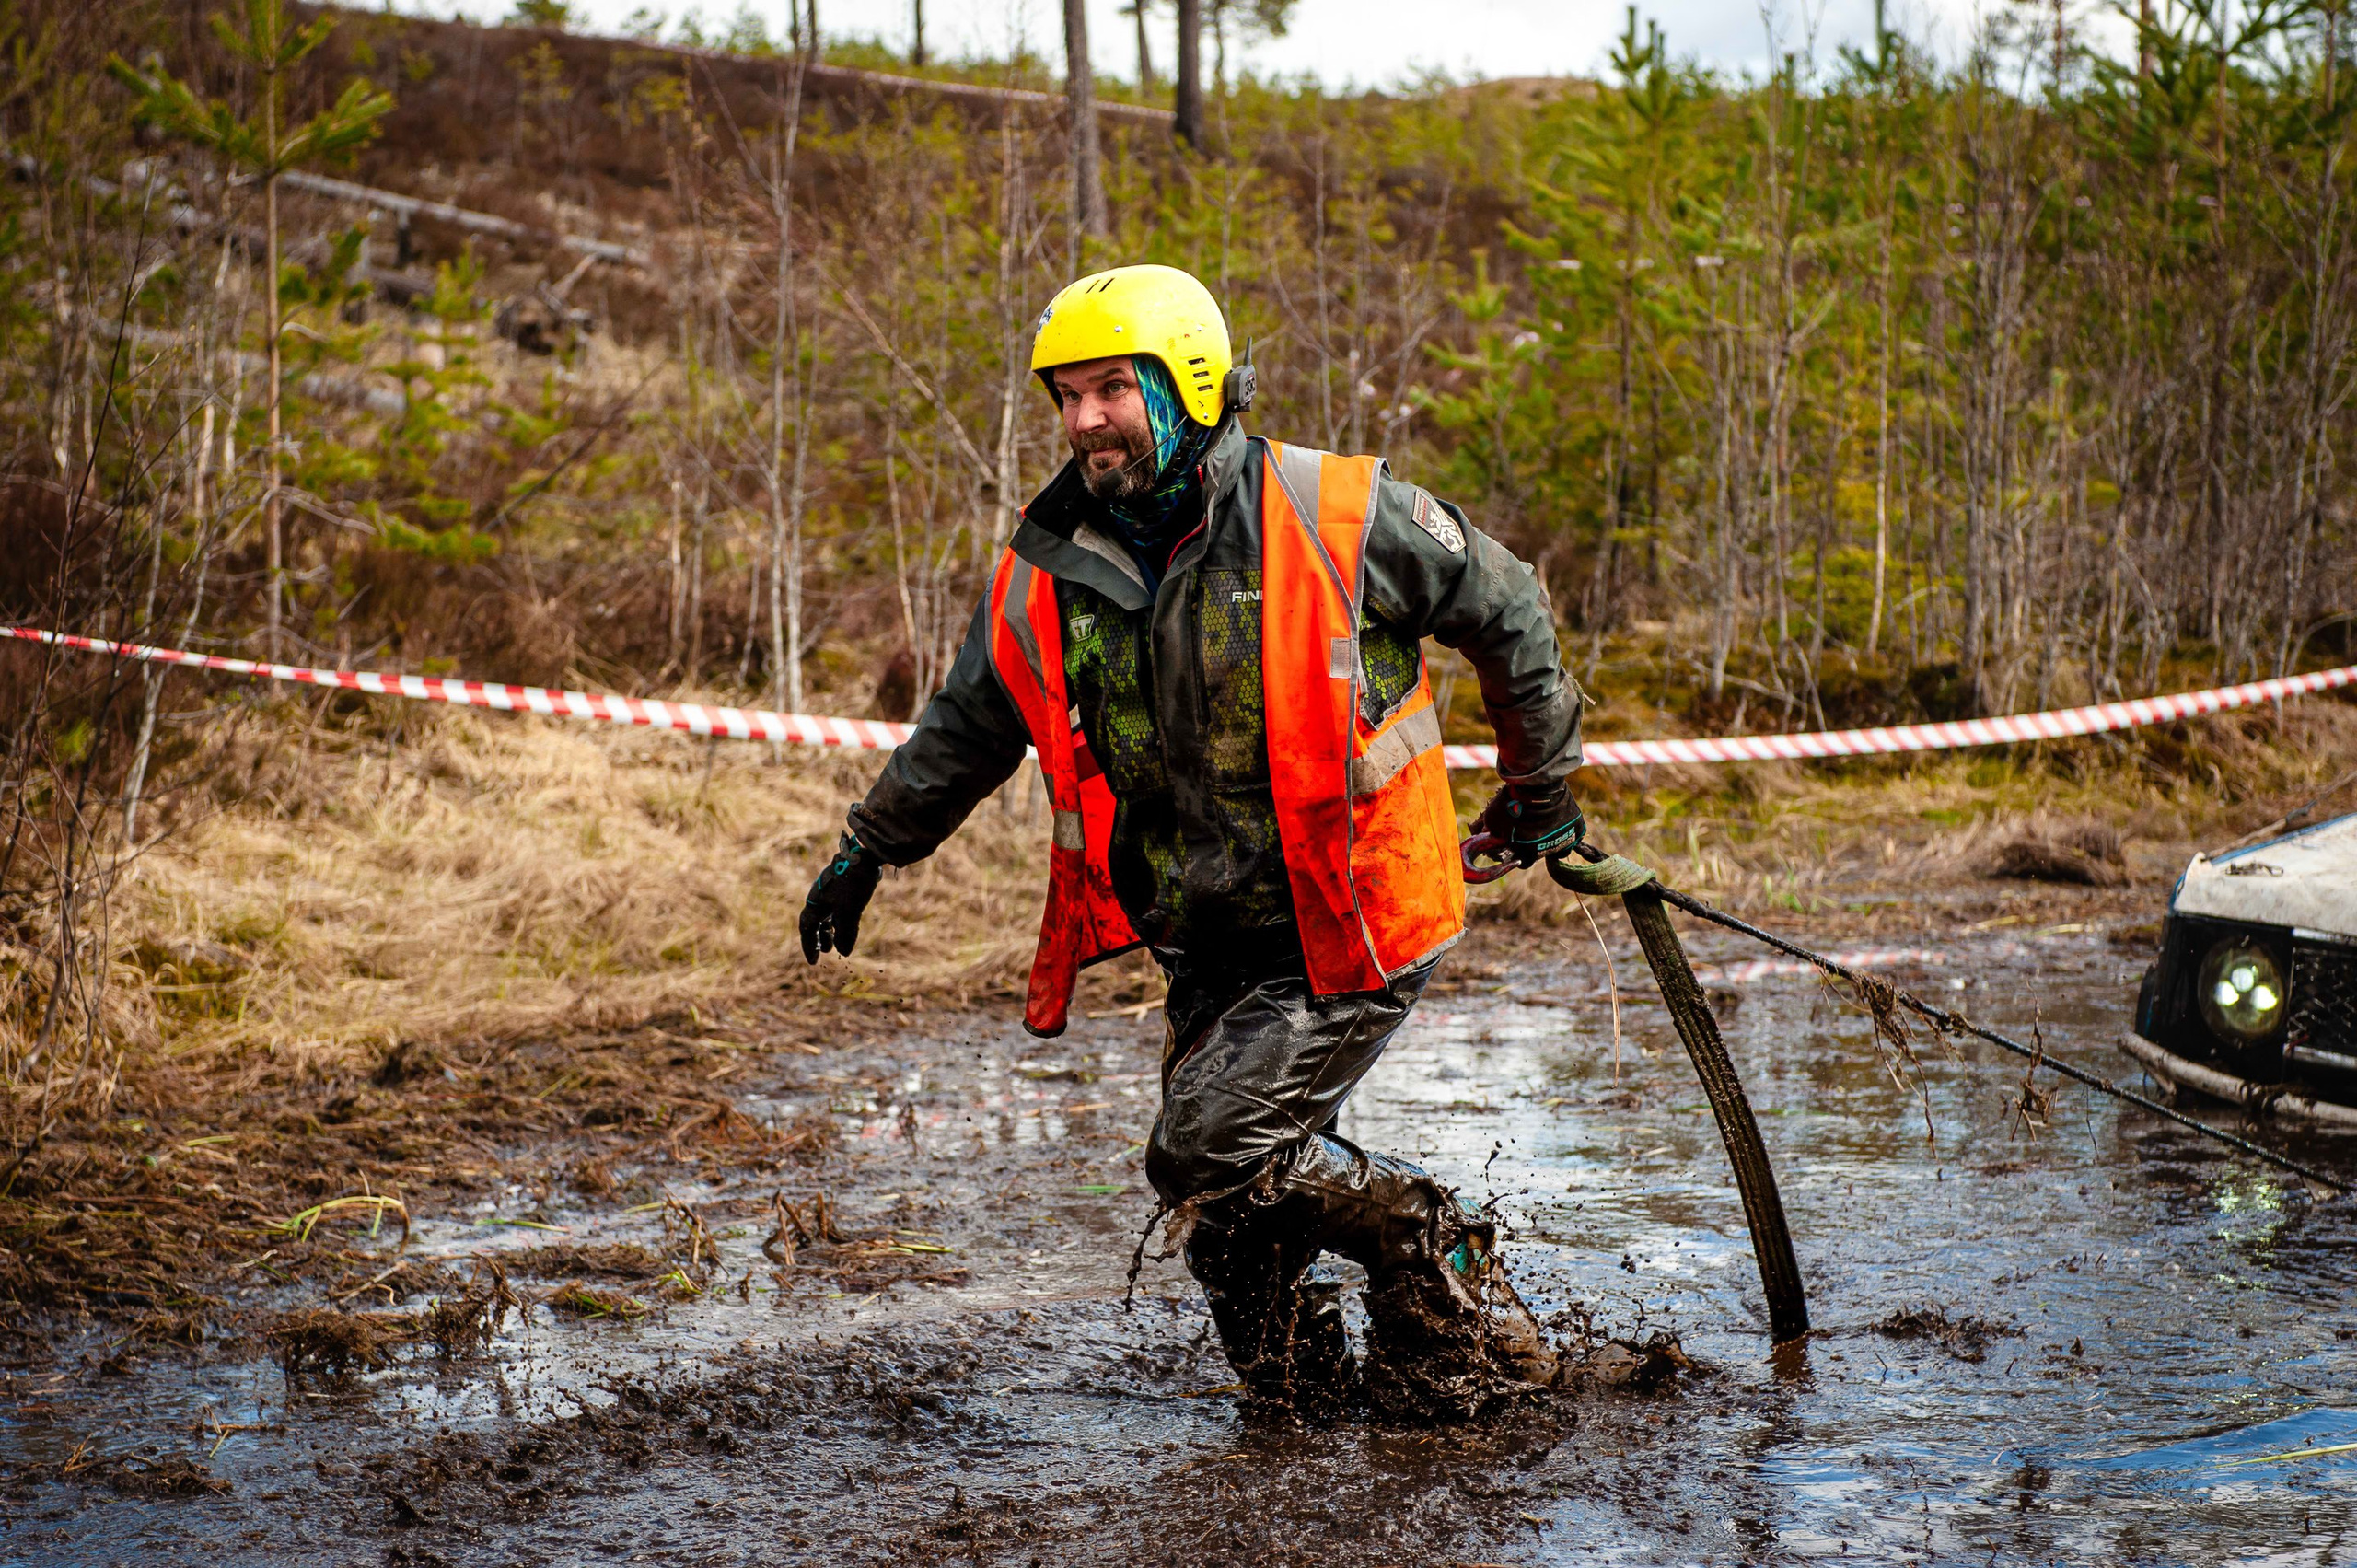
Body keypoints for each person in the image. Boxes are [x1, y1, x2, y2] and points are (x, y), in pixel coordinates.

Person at [799, 263, 1587, 1421]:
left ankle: (1433, 1241)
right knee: (1228, 1240)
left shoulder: (1332, 513)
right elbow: (970, 723)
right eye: (1066, 395)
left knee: (1203, 1144)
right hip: (1207, 939)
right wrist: (871, 843)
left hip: (1352, 918)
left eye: (1112, 388)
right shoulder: (1049, 565)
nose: (1083, 420)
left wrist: (1537, 792)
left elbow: (1507, 608)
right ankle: (1310, 1430)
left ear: (1196, 384)